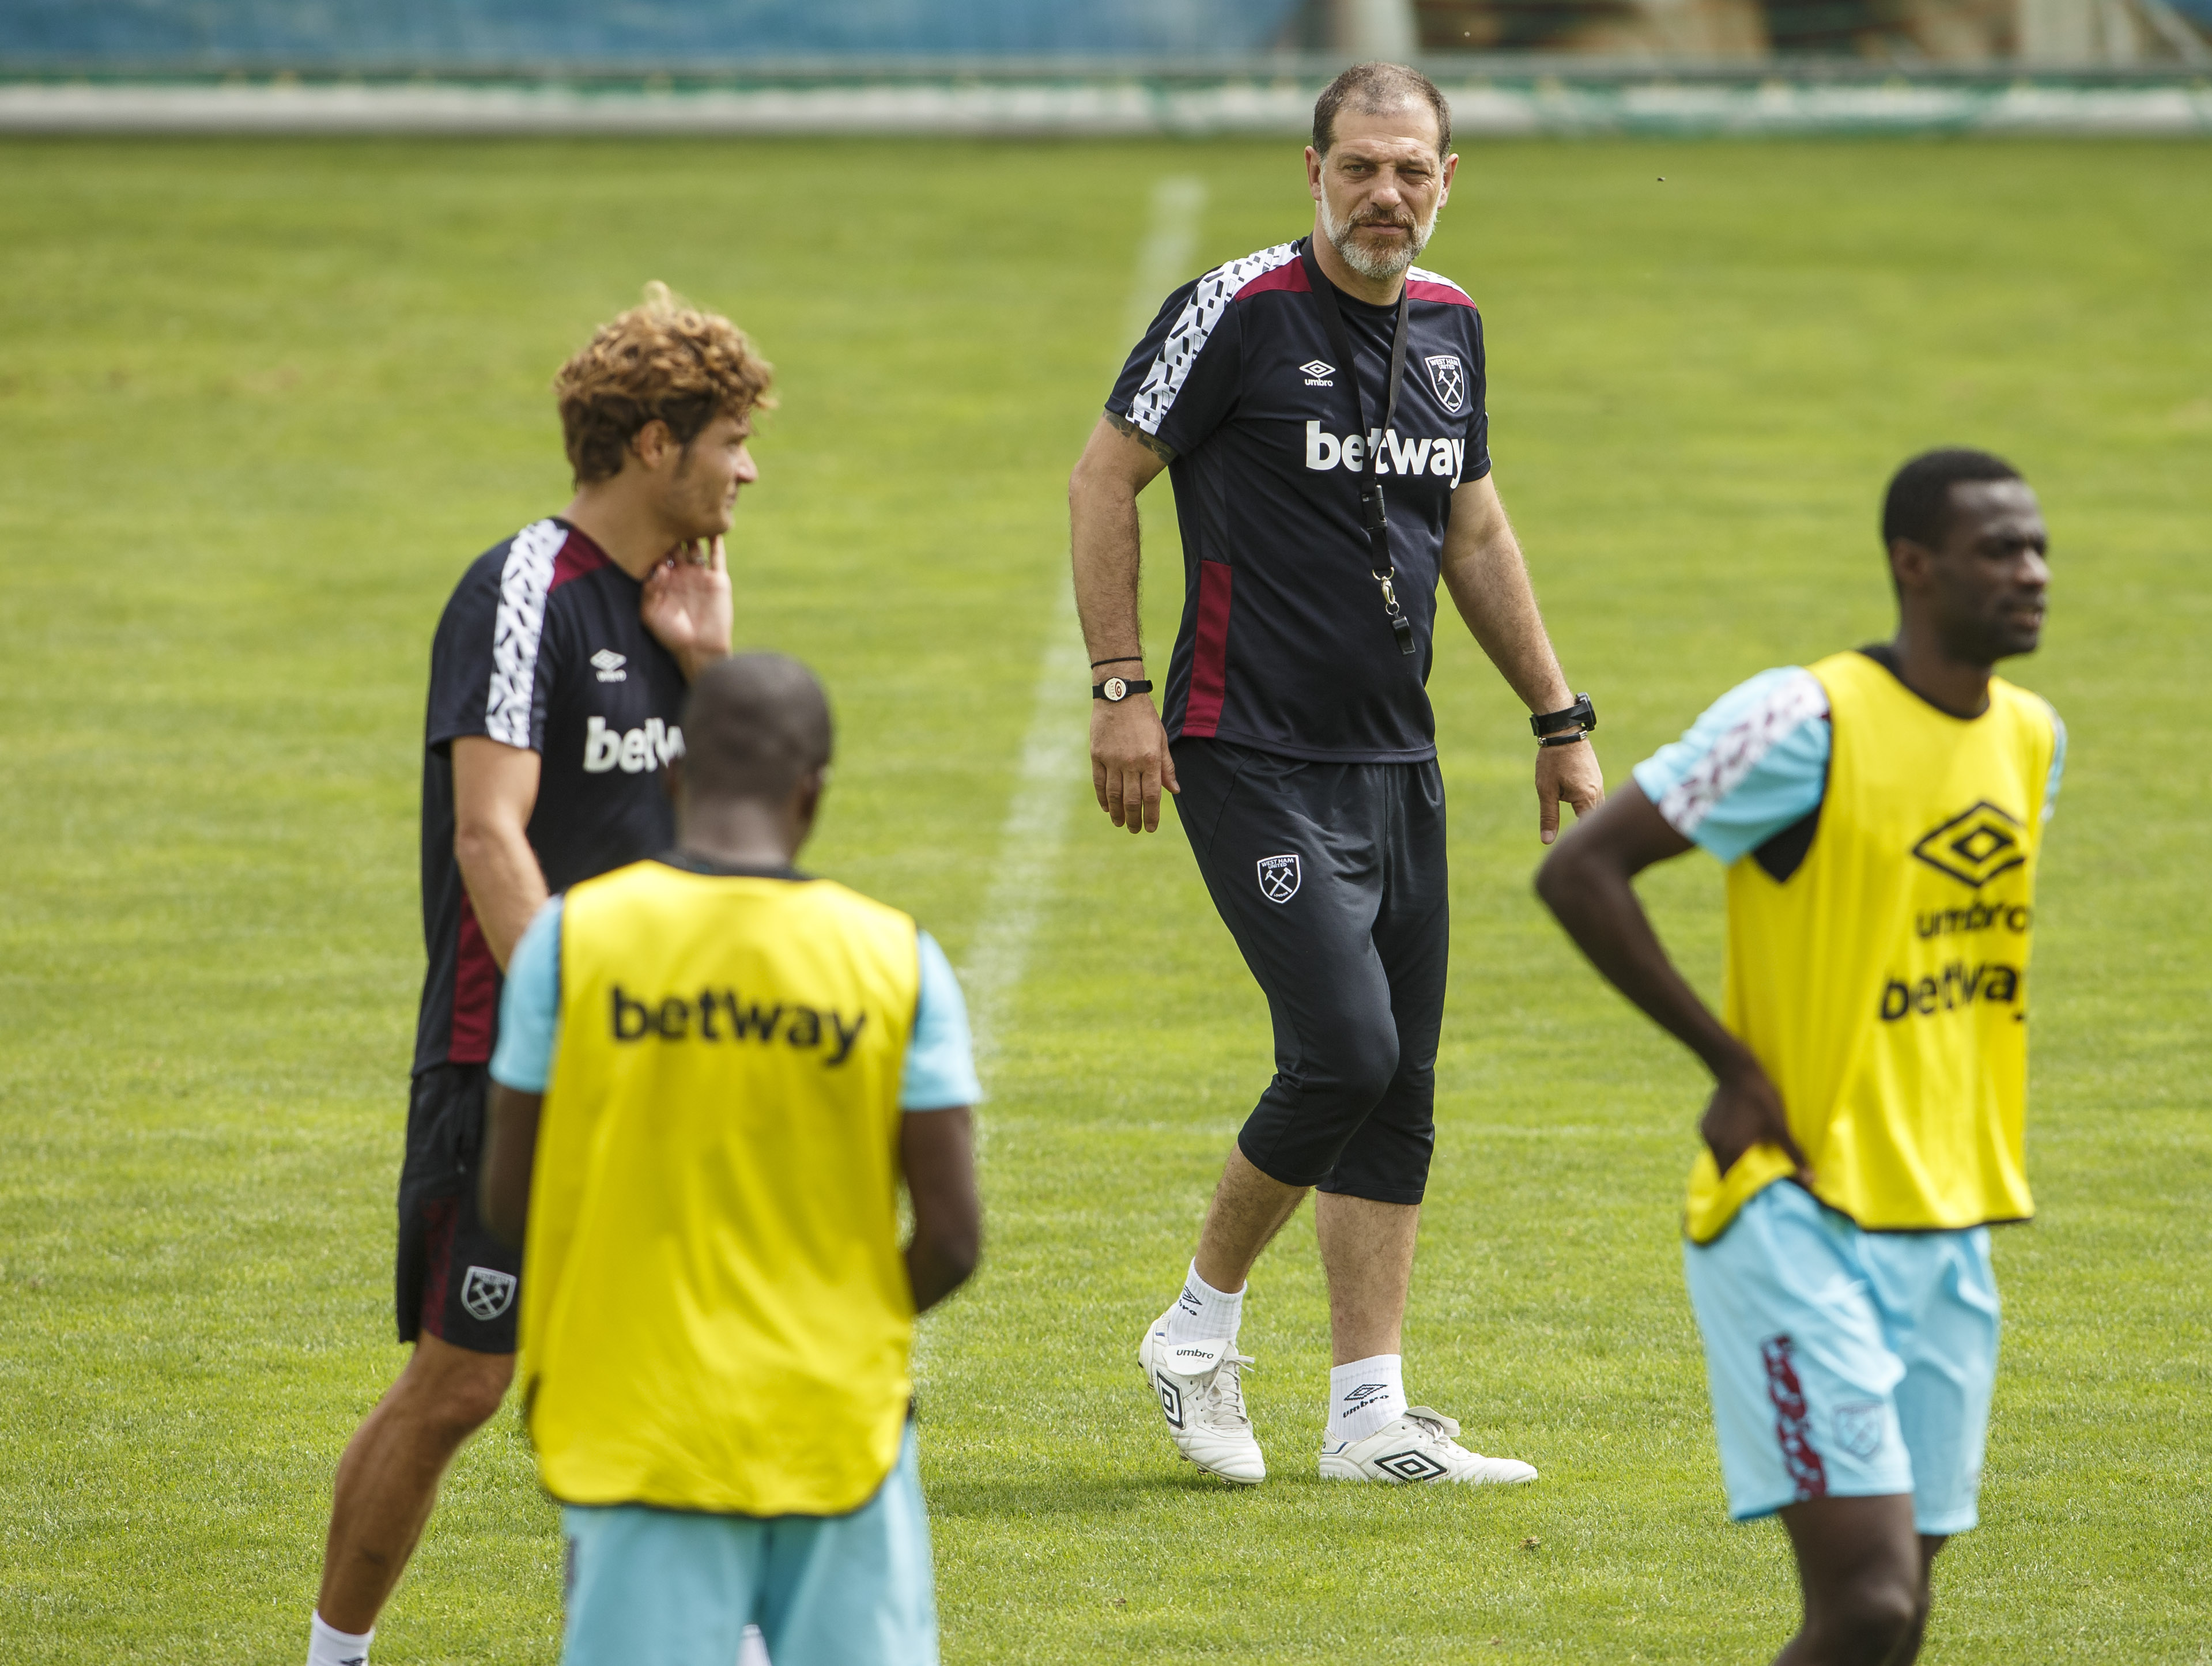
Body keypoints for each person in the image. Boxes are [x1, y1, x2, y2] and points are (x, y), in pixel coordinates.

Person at [1069, 61, 1604, 1487]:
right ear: (1313, 171)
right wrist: (1121, 691)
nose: (1386, 194)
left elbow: (1473, 531)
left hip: (1397, 758)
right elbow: (1102, 479)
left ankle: (1370, 1414)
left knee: (1399, 1085)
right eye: (1360, 166)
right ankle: (1194, 1334)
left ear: (1447, 181)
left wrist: (1557, 718)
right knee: (1345, 1054)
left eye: (1411, 170)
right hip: (1246, 748)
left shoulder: (1453, 324)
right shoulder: (1235, 311)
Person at [1534, 449, 2066, 1664]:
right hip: (1795, 1212)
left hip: (1948, 1224)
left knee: (1897, 1619)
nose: (2032, 574)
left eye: (2039, 549)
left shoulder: (2032, 738)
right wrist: (1731, 1064)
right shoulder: (1803, 719)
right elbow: (1582, 871)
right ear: (1913, 565)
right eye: (1999, 551)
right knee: (1866, 1603)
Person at [307, 284, 772, 1666]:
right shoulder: (525, 592)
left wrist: (710, 667)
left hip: (657, 1058)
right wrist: (586, 1024)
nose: (749, 472)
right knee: (460, 1385)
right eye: (732, 441)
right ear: (654, 444)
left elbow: (730, 837)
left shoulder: (676, 607)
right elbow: (488, 836)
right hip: (514, 1062)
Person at [475, 653, 983, 1666]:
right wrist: (834, 1319)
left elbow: (506, 1200)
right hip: (835, 1426)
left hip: (640, 1424)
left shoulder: (571, 942)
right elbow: (952, 1240)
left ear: (673, 775)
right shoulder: (895, 957)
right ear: (813, 792)